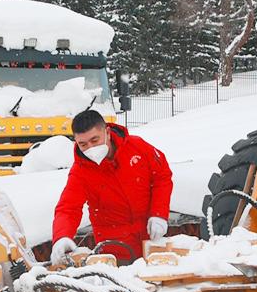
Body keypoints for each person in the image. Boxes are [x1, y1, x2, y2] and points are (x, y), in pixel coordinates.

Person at [50, 110, 173, 264]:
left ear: (107, 132)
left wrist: (159, 214)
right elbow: (68, 208)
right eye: (83, 144)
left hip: (152, 241)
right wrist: (61, 236)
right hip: (115, 251)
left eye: (95, 140)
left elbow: (161, 176)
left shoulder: (137, 147)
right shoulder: (80, 172)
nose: (90, 148)